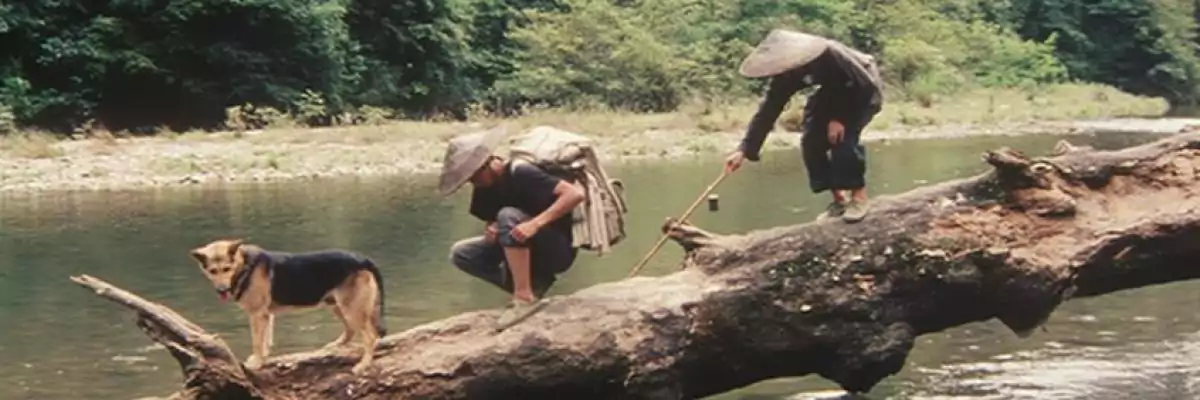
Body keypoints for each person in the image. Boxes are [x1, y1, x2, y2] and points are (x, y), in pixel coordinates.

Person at [723, 29, 884, 223]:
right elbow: (768, 110)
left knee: (842, 138)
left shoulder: (831, 54)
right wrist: (744, 149)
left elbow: (865, 85)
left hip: (862, 90)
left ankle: (859, 197)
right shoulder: (786, 74)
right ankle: (839, 200)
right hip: (831, 93)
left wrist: (840, 118)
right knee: (811, 141)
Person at [438, 126, 586, 331]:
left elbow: (574, 195)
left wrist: (536, 224)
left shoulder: (521, 172)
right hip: (520, 244)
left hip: (557, 247)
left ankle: (524, 297)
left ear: (486, 164)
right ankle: (532, 286)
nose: (473, 183)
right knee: (462, 253)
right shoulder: (484, 189)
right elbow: (492, 220)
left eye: (474, 177)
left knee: (508, 215)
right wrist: (492, 231)